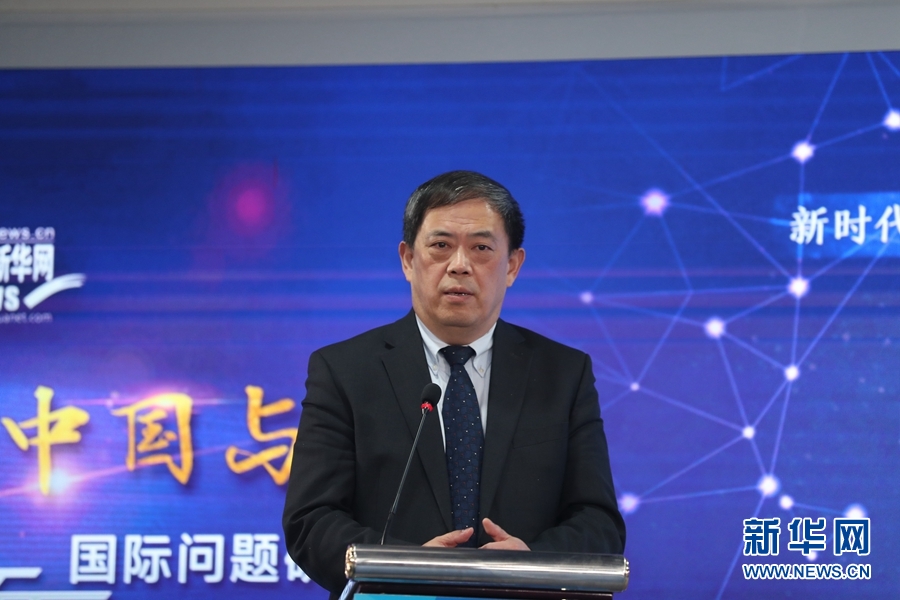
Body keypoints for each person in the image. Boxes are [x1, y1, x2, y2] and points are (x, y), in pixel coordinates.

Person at [283, 170, 626, 596]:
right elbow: (312, 520)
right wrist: (409, 569)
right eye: (441, 245)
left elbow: (598, 521)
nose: (459, 265)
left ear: (512, 265)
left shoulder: (563, 373)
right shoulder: (344, 370)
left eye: (481, 248)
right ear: (408, 260)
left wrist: (530, 565)